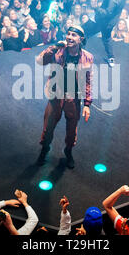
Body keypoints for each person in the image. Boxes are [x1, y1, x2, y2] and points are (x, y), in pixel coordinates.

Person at [35, 25, 93, 169]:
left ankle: (68, 151)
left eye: (74, 35)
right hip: (56, 95)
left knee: (72, 129)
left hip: (73, 98)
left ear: (81, 39)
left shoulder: (88, 57)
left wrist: (87, 104)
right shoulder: (58, 51)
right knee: (48, 126)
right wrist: (54, 47)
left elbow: (87, 80)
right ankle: (45, 149)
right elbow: (40, 61)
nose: (70, 37)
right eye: (68, 34)